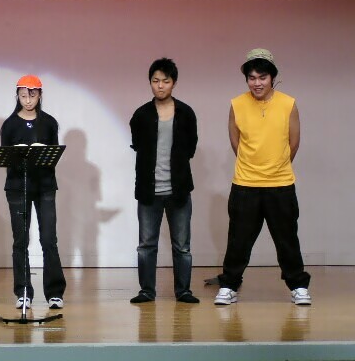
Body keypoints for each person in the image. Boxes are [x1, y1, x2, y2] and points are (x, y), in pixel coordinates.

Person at [214, 48, 311, 306]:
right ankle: (229, 286)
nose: (257, 83)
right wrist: (252, 166)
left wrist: (276, 166)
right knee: (238, 240)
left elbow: (294, 142)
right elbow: (236, 143)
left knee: (287, 240)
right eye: (252, 78)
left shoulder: (288, 104)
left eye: (262, 77)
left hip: (281, 184)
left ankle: (298, 286)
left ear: (272, 78)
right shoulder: (237, 104)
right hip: (245, 184)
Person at [129, 58, 199, 304]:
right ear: (150, 82)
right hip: (149, 191)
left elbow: (191, 147)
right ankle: (147, 291)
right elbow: (137, 145)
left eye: (165, 81)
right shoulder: (141, 114)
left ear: (174, 83)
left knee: (182, 246)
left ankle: (183, 291)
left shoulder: (186, 113)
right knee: (146, 245)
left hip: (179, 190)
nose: (160, 86)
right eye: (155, 81)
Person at [0, 75, 66, 309]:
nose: (28, 100)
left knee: (49, 239)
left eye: (32, 95)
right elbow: (6, 157)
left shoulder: (49, 123)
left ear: (40, 95)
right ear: (17, 96)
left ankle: (55, 293)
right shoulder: (9, 124)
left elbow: (53, 156)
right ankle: (23, 291)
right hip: (18, 187)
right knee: (20, 240)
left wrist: (42, 153)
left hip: (45, 186)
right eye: (23, 96)